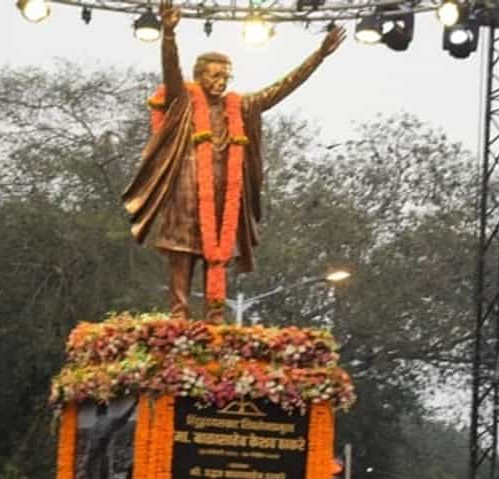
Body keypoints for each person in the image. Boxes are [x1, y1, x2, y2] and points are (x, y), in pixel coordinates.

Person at [123, 0, 345, 322]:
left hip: (224, 195)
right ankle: (179, 323)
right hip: (186, 193)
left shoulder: (239, 108)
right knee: (181, 259)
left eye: (225, 76)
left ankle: (214, 319)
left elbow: (281, 88)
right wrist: (168, 33)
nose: (221, 81)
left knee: (217, 258)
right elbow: (171, 70)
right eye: (214, 75)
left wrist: (318, 57)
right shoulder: (183, 102)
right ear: (199, 77)